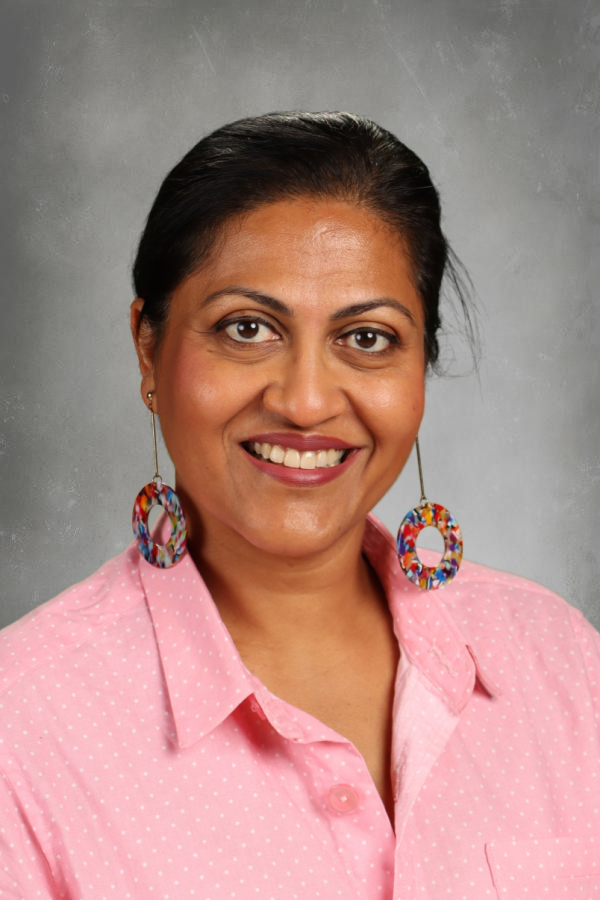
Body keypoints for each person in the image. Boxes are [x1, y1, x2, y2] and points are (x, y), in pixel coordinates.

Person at [1, 112, 598, 900]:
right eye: (247, 329)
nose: (308, 402)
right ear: (149, 344)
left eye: (369, 338)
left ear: (424, 362)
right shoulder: (23, 728)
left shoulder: (560, 659)